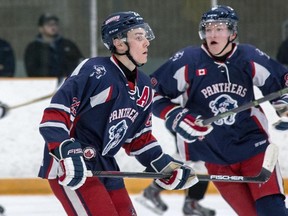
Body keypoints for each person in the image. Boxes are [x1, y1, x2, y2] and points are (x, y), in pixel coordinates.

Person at [37, 11, 199, 215]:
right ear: (120, 43)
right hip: (73, 163)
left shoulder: (144, 85)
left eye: (145, 36)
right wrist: (65, 151)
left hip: (106, 164)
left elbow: (139, 138)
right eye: (139, 37)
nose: (147, 42)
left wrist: (162, 164)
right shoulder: (95, 70)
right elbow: (54, 115)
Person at [149, 5, 288, 216]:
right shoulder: (189, 60)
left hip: (254, 149)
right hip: (215, 157)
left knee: (272, 211)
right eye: (209, 29)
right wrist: (175, 115)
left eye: (219, 29)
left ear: (232, 33)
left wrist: (285, 103)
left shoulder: (248, 57)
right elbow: (151, 94)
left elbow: (281, 83)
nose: (213, 34)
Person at [139, 132, 216, 216]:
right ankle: (152, 190)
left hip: (200, 128)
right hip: (188, 126)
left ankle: (191, 203)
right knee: (185, 158)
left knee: (201, 163)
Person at [24, 13, 83, 77]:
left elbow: (80, 62)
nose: (53, 27)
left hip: (68, 82)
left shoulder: (68, 45)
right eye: (48, 24)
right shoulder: (33, 48)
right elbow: (31, 70)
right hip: (43, 84)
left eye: (55, 24)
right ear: (40, 28)